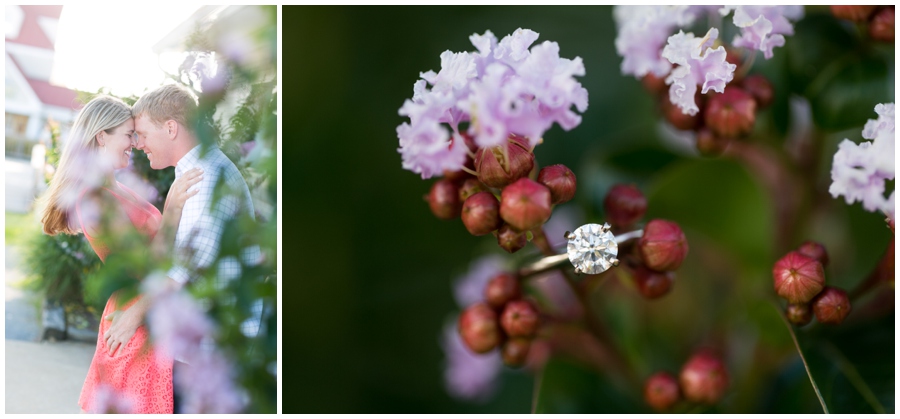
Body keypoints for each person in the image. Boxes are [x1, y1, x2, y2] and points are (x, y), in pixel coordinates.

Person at [39, 95, 203, 413]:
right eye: (129, 134)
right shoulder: (95, 198)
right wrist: (171, 210)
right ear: (102, 135)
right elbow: (137, 269)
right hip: (133, 323)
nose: (135, 143)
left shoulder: (117, 188)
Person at [124, 83, 263, 413]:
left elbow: (187, 267)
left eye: (142, 134)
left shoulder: (205, 178)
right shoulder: (195, 174)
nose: (138, 144)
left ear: (170, 128)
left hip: (212, 355)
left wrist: (133, 315)